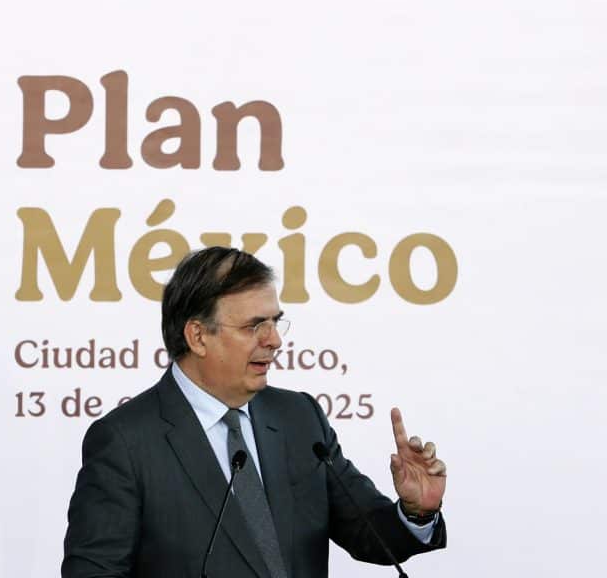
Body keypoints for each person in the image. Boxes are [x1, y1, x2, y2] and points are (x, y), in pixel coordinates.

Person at [62, 247, 447, 578]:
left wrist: (415, 512)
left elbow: (369, 535)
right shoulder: (126, 441)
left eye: (275, 322)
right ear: (198, 336)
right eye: (254, 325)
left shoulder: (299, 417)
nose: (275, 340)